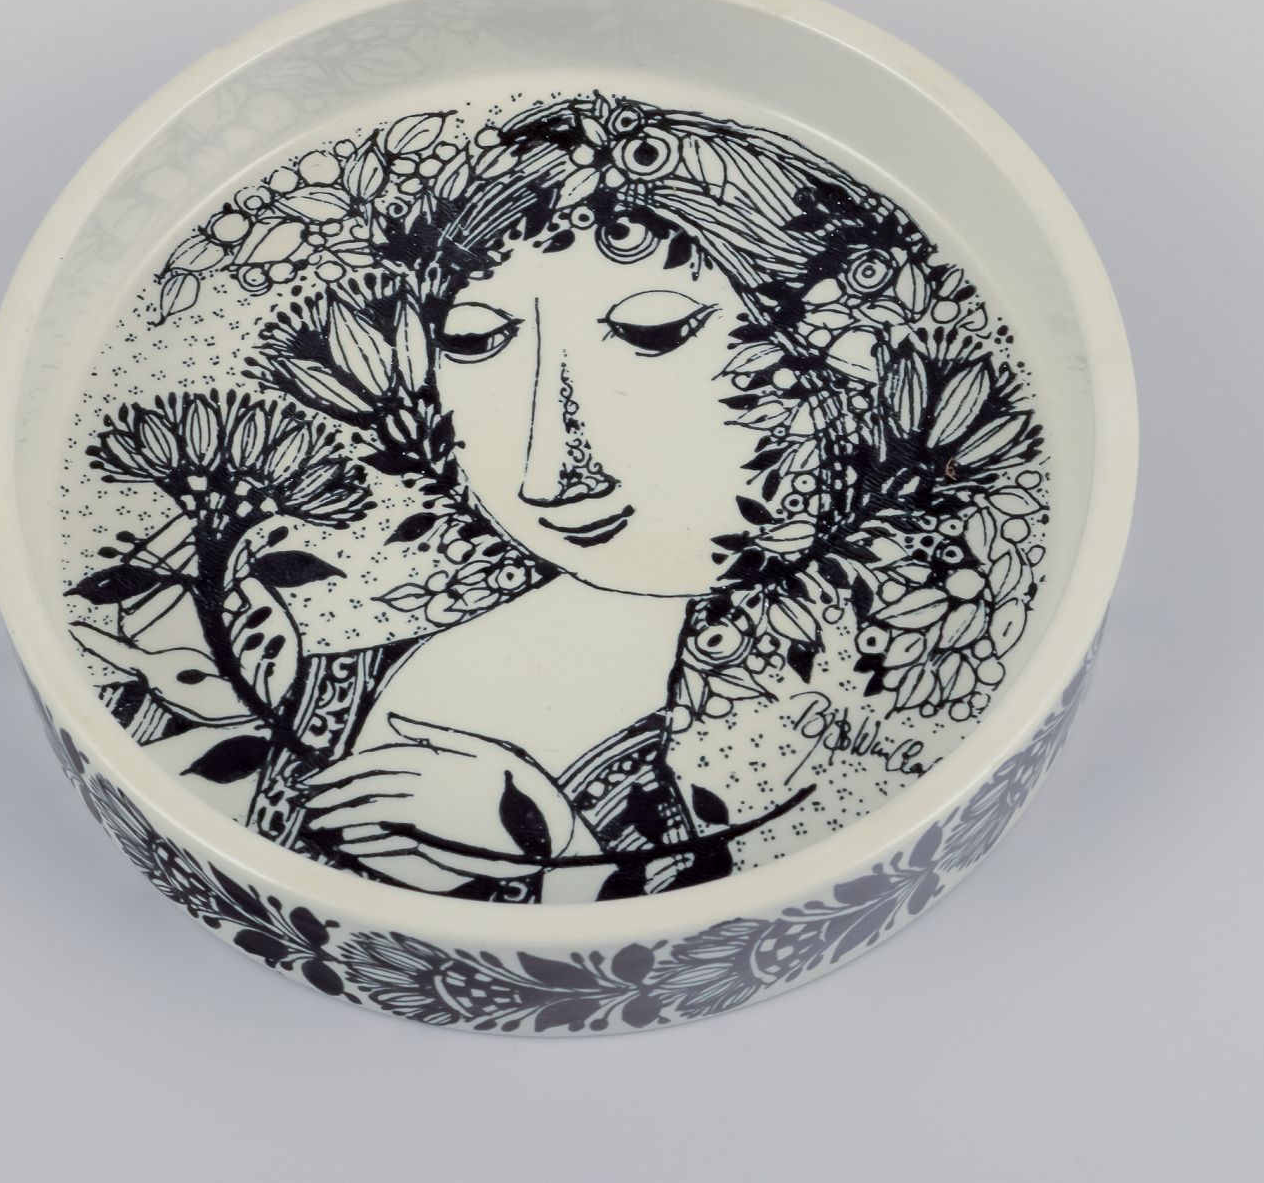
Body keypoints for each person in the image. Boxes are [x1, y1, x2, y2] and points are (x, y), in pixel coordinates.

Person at [72, 95, 1045, 903]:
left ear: (832, 367)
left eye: (652, 334)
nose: (550, 463)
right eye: (477, 342)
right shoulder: (272, 660)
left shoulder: (749, 781)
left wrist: (552, 843)